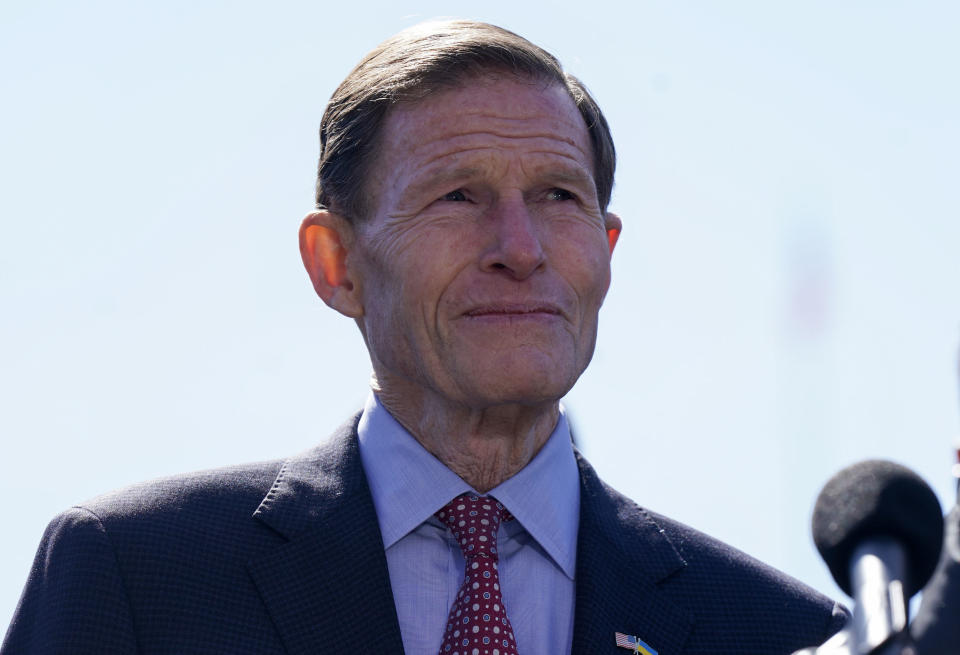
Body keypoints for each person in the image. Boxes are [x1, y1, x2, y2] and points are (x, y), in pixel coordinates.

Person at [3, 20, 847, 655]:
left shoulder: (786, 634)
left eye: (559, 196)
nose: (521, 249)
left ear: (607, 249)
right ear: (336, 263)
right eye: (457, 197)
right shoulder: (137, 577)